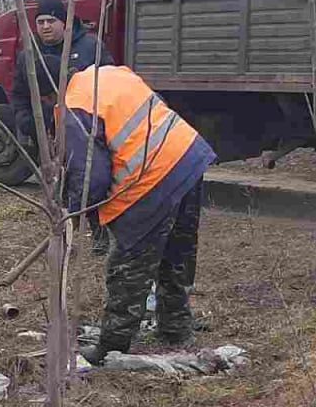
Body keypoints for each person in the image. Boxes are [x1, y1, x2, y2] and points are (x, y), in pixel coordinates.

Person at [50, 58, 216, 364]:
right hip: (188, 155)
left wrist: (72, 209)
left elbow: (93, 179)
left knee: (128, 265)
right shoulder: (106, 73)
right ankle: (176, 326)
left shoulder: (72, 106)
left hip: (151, 179)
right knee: (176, 253)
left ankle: (113, 344)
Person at [12, 0, 115, 252]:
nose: (45, 26)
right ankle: (64, 238)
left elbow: (112, 84)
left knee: (94, 180)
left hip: (85, 129)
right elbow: (19, 95)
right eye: (40, 22)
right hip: (48, 133)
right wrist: (25, 121)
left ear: (64, 22)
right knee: (58, 187)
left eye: (51, 20)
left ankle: (100, 232)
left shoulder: (91, 47)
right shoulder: (28, 56)